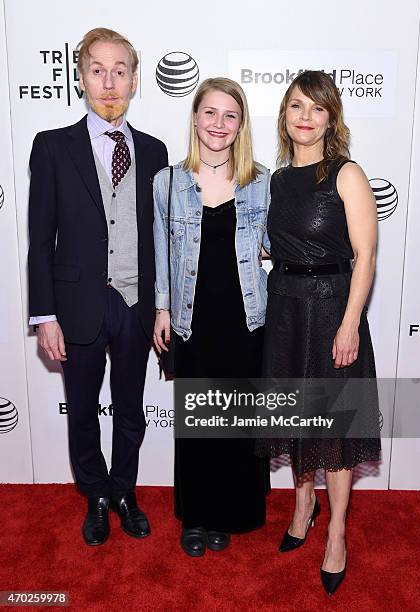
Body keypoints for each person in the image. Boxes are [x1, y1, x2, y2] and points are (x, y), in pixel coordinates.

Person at [28, 28, 168, 546]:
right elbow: (39, 240)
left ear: (134, 79)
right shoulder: (52, 147)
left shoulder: (154, 151)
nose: (109, 82)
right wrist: (44, 315)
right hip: (76, 305)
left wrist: (162, 306)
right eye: (97, 70)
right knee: (82, 410)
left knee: (131, 409)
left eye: (120, 71)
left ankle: (125, 490)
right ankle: (96, 495)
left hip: (135, 304)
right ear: (80, 77)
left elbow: (160, 236)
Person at [257, 71, 381, 594]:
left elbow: (365, 255)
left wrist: (351, 322)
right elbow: (275, 242)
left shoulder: (345, 174)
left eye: (316, 108)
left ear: (332, 118)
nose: (305, 117)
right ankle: (303, 503)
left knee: (334, 429)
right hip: (284, 309)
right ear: (284, 116)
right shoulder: (276, 180)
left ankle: (336, 531)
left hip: (332, 311)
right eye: (295, 107)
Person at [153, 78, 270, 557]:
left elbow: (278, 246)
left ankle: (230, 513)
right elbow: (161, 249)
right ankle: (196, 518)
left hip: (245, 320)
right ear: (195, 118)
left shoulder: (262, 181)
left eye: (230, 115)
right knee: (198, 422)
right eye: (210, 113)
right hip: (191, 320)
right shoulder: (169, 181)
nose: (218, 124)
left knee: (237, 422)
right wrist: (161, 307)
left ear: (241, 124)